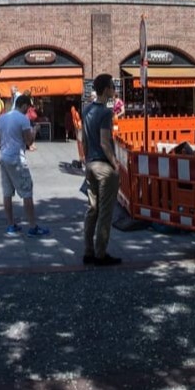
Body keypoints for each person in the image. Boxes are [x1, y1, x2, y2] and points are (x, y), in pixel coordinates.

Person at [0, 93, 50, 237]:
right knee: (27, 192)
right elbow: (29, 141)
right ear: (24, 105)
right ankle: (32, 226)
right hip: (17, 159)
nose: (29, 110)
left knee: (7, 193)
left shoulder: (2, 118)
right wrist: (35, 130)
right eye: (29, 107)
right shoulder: (23, 120)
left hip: (4, 158)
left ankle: (10, 225)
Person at [82, 73, 122, 266]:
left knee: (92, 210)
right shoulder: (106, 113)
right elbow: (105, 143)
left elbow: (83, 138)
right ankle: (100, 254)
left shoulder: (86, 109)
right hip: (103, 167)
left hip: (90, 163)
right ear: (106, 89)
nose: (114, 90)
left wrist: (86, 159)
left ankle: (88, 251)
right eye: (113, 86)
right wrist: (115, 164)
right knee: (105, 212)